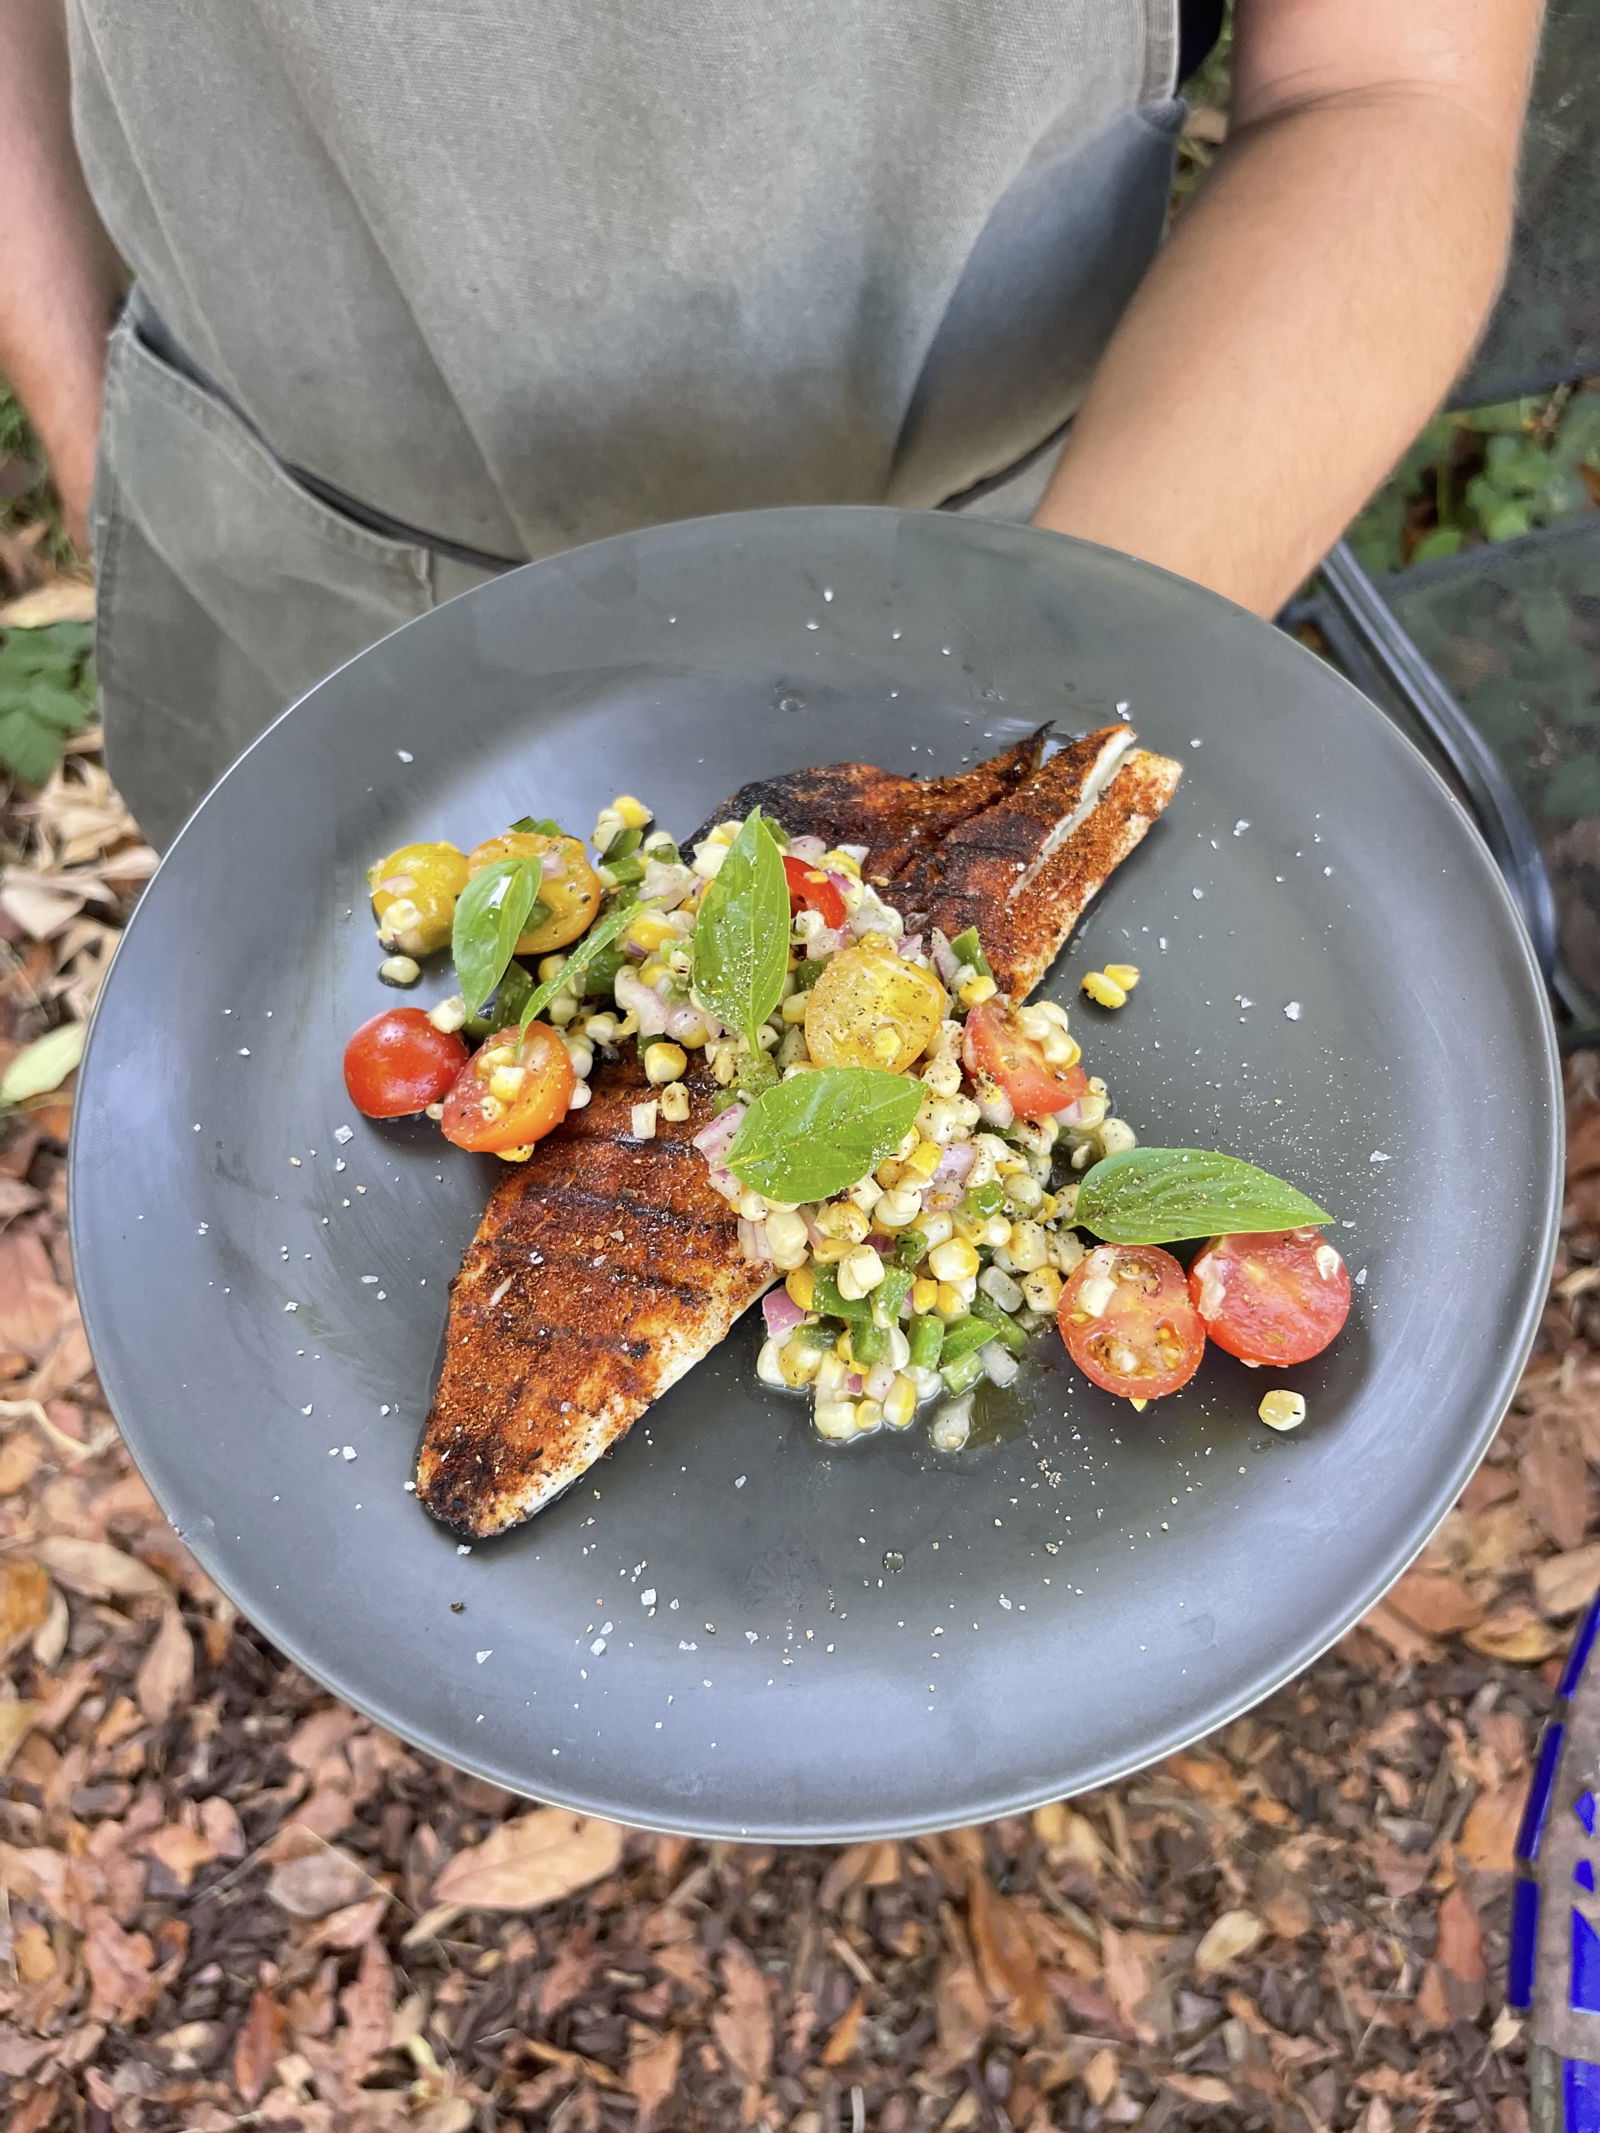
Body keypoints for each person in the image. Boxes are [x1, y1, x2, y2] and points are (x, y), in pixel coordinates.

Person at [1, 0, 1543, 848]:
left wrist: (1034, 749)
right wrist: (98, 439)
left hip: (1035, 569)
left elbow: (1386, 87)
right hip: (286, 570)